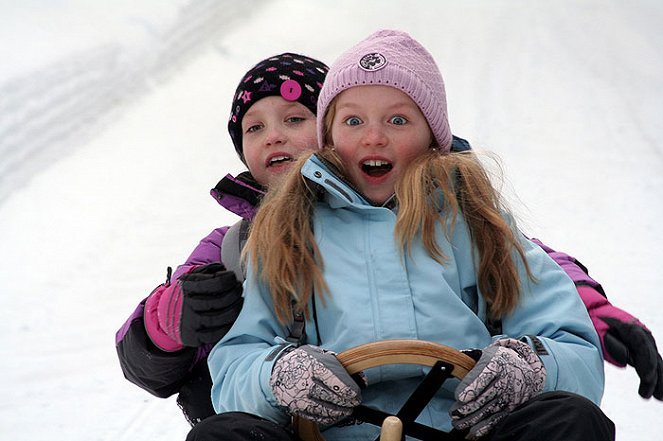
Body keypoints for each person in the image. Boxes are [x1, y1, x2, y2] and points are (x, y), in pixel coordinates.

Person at [116, 45, 661, 434]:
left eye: (293, 117)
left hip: (466, 424)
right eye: (254, 128)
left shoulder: (468, 220)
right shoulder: (245, 245)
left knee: (570, 419)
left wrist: (552, 350)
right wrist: (176, 323)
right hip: (322, 427)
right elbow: (195, 357)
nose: (274, 135)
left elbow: (543, 276)